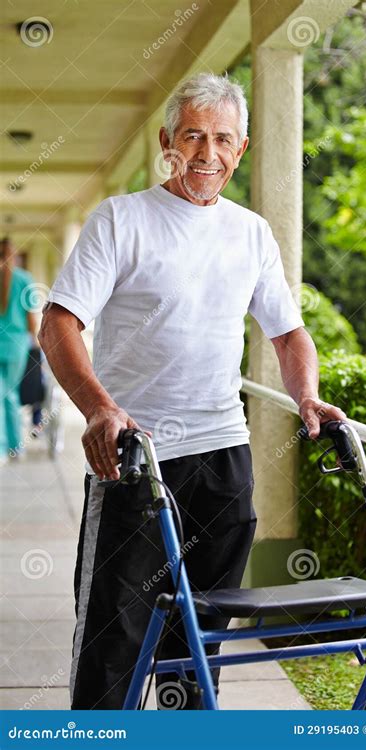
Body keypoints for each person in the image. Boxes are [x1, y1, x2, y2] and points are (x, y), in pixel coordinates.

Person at [39, 73, 346, 710]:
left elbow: (289, 335)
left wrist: (307, 397)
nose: (207, 153)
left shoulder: (252, 232)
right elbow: (59, 322)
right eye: (193, 136)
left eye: (223, 139)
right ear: (166, 142)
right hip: (135, 457)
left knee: (200, 633)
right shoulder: (122, 219)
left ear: (243, 149)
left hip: (222, 456)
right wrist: (101, 408)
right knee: (114, 633)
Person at [0, 237, 37, 461]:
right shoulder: (24, 279)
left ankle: (2, 447)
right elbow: (30, 317)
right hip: (16, 345)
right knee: (10, 395)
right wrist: (36, 340)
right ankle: (16, 447)